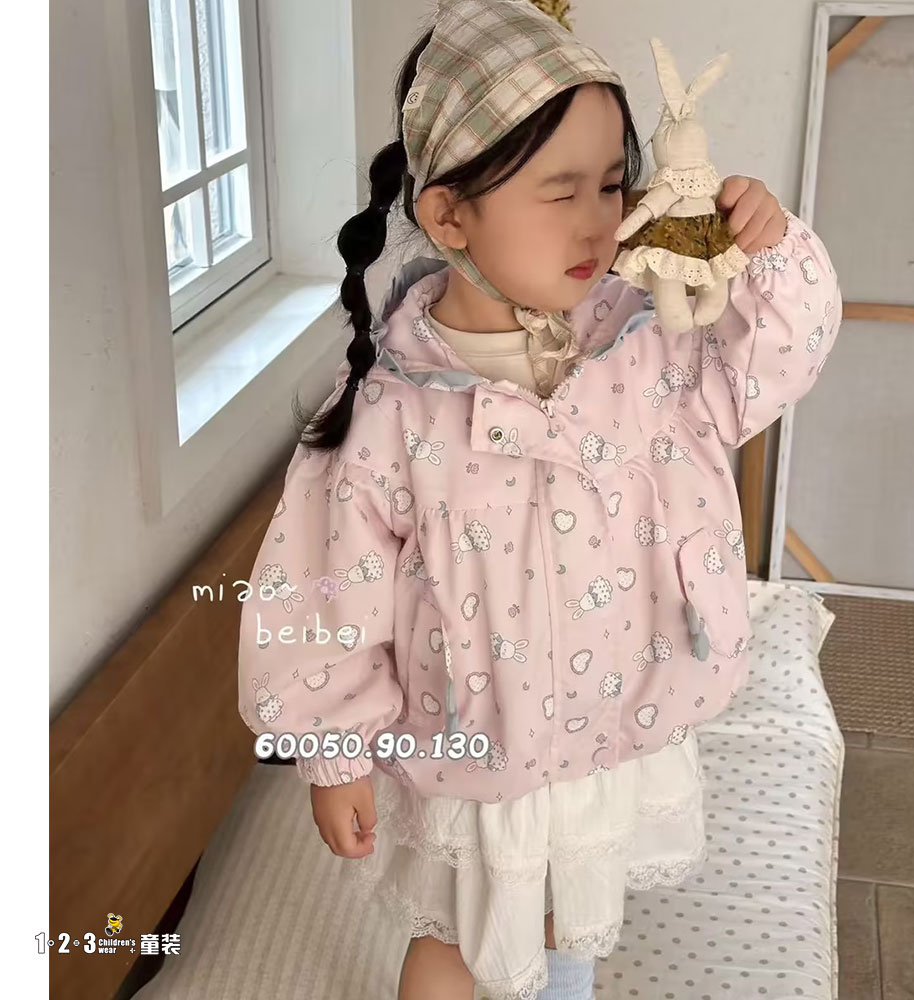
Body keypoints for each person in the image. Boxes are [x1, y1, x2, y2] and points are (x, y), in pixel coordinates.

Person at [236, 2, 843, 998]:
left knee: (571, 919)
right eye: (560, 191)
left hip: (613, 725)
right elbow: (322, 585)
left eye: (610, 184)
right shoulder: (394, 404)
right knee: (456, 938)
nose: (598, 220)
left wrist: (767, 254)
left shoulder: (649, 344)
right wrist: (334, 750)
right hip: (477, 745)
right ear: (448, 217)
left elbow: (775, 361)